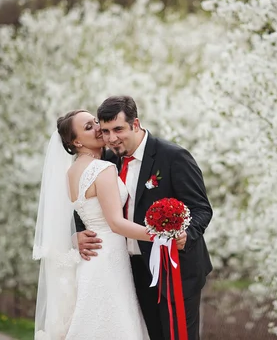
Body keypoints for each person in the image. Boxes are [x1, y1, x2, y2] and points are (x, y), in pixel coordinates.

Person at [76, 96, 213, 340]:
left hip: (174, 268)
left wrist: (186, 235)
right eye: (105, 131)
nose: (111, 138)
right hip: (130, 270)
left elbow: (202, 208)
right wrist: (78, 231)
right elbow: (85, 201)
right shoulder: (105, 162)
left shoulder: (173, 157)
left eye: (118, 129)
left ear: (135, 124)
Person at [33, 109, 155, 339]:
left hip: (91, 259)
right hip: (108, 256)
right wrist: (160, 235)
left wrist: (73, 236)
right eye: (89, 127)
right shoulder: (103, 168)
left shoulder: (71, 172)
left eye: (95, 122)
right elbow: (116, 224)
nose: (99, 128)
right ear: (76, 141)